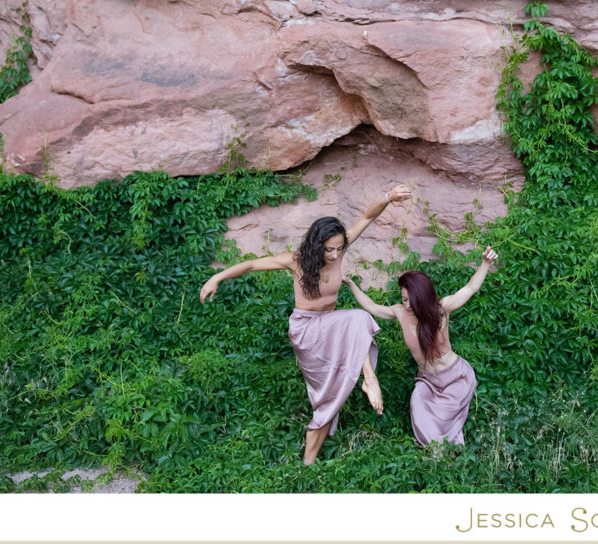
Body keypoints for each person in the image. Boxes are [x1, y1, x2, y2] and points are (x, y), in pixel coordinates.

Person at [198, 184, 413, 464]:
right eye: (329, 250)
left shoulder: (340, 249)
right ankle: (365, 384)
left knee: (336, 381)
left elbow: (367, 218)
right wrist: (216, 278)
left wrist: (387, 198)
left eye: (338, 249)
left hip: (333, 328)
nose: (336, 255)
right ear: (316, 246)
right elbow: (251, 265)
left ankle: (308, 461)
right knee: (352, 335)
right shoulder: (296, 262)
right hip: (307, 332)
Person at [343, 247, 498, 447]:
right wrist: (351, 284)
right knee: (417, 403)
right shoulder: (400, 312)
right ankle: (436, 453)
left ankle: (449, 455)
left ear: (421, 296)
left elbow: (470, 288)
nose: (406, 304)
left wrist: (485, 263)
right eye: (403, 299)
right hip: (428, 380)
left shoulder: (441, 310)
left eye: (410, 300)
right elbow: (372, 307)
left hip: (455, 379)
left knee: (444, 418)